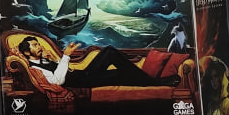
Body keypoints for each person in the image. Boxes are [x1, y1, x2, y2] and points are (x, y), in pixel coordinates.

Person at [18, 36, 177, 89]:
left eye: (38, 44)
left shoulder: (43, 59)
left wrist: (55, 59)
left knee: (111, 54)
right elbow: (58, 81)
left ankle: (156, 82)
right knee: (115, 64)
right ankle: (157, 83)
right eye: (35, 45)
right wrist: (65, 56)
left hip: (83, 75)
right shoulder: (35, 69)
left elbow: (60, 68)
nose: (40, 46)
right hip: (81, 82)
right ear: (26, 52)